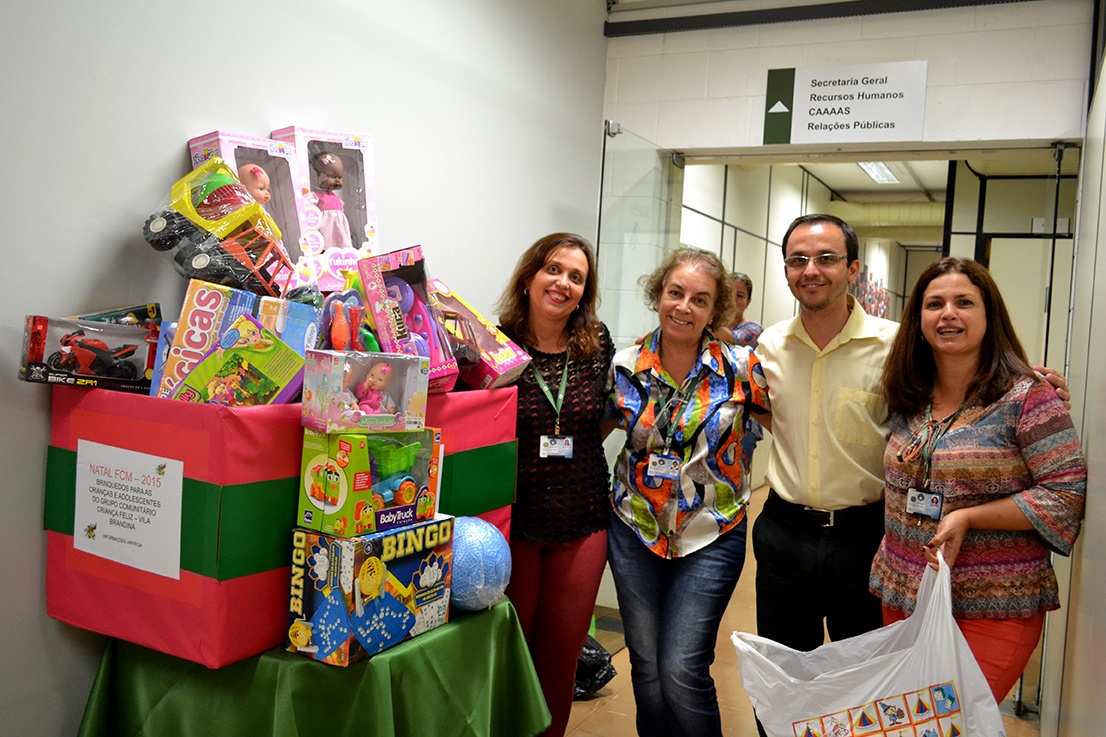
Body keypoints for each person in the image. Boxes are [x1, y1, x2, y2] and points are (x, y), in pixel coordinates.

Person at [870, 257, 1086, 703]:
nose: (948, 313)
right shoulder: (907, 393)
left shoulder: (1029, 396)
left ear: (989, 316)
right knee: (910, 724)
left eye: (964, 302)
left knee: (958, 724)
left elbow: (1065, 494)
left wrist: (969, 516)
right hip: (908, 592)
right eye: (934, 304)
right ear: (919, 320)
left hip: (994, 602)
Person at [604, 247, 769, 737]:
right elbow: (593, 433)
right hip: (635, 527)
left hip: (712, 532)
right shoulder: (624, 366)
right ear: (658, 295)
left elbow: (786, 426)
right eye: (675, 293)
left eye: (700, 299)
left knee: (681, 668)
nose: (684, 306)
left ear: (715, 310)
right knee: (647, 667)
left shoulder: (741, 368)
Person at [753, 214, 897, 659]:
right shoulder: (767, 348)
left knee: (862, 679)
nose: (811, 270)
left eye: (826, 258)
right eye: (798, 260)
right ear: (786, 273)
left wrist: (1028, 382)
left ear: (852, 270)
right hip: (784, 534)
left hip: (866, 539)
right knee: (783, 676)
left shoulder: (895, 347)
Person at [496, 233, 614, 737]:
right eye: (553, 270)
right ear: (528, 279)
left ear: (583, 293)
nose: (562, 283)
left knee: (561, 657)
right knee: (512, 652)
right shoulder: (494, 344)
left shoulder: (597, 344)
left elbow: (605, 418)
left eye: (576, 277)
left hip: (583, 517)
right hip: (514, 522)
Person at [309, 151, 354, 251]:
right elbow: (311, 216)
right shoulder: (315, 196)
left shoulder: (337, 198)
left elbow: (342, 219)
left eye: (340, 177)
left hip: (341, 234)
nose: (337, 180)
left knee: (343, 250)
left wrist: (348, 230)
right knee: (324, 250)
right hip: (323, 235)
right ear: (316, 176)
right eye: (332, 177)